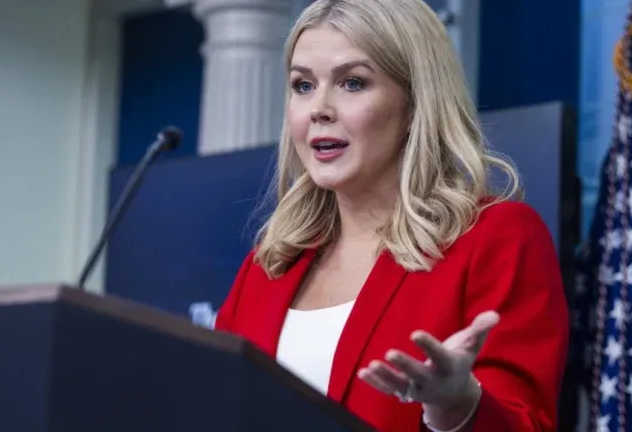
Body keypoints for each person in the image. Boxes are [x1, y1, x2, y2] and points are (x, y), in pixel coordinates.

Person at [214, 0, 569, 430]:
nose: (319, 108)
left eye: (352, 82)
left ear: (416, 103)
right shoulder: (266, 268)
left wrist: (458, 407)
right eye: (303, 85)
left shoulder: (496, 238)